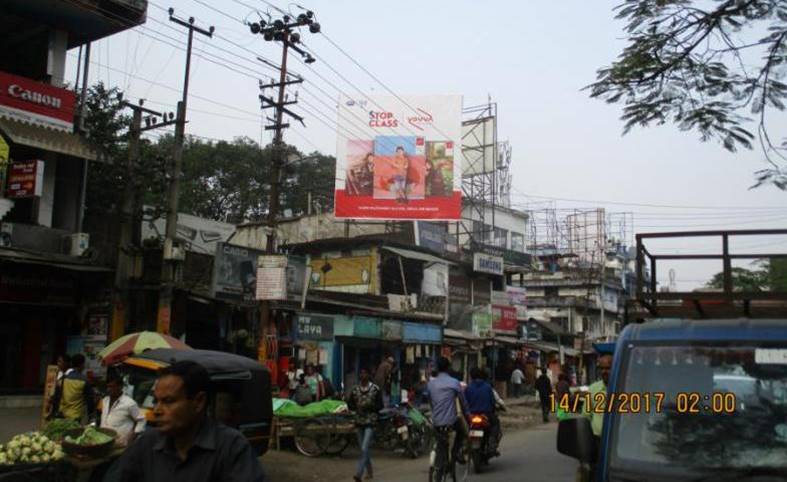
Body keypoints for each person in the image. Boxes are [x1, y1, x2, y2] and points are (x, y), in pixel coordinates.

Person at [109, 360, 266, 481]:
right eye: (156, 401)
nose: (157, 410)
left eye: (168, 401)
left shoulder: (231, 447)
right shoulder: (147, 444)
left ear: (198, 402)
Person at [427, 357, 469, 472]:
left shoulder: (431, 384)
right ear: (448, 368)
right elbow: (463, 402)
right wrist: (468, 415)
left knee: (440, 439)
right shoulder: (454, 382)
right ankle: (455, 454)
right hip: (451, 421)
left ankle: (442, 461)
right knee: (461, 432)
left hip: (435, 421)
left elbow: (431, 402)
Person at [345, 367, 383, 482]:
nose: (362, 375)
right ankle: (370, 471)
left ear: (369, 375)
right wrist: (356, 407)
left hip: (370, 422)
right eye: (361, 373)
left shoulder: (375, 389)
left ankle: (358, 474)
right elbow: (350, 404)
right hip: (358, 422)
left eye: (365, 373)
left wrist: (368, 407)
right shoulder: (355, 389)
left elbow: (380, 406)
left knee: (363, 448)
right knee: (364, 450)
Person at [464, 368, 501, 456]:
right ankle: (492, 444)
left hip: (471, 415)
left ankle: (463, 446)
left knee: (464, 429)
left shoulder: (468, 388)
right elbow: (492, 401)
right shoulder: (487, 387)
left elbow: (465, 402)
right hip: (486, 414)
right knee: (495, 424)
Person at [101, 376, 145, 446]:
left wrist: (133, 436)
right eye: (108, 387)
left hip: (121, 444)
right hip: (104, 442)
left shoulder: (129, 403)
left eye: (112, 387)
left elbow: (141, 420)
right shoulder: (105, 400)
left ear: (120, 387)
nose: (108, 389)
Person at [55, 354, 96, 422]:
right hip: (75, 416)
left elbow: (57, 397)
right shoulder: (84, 380)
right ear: (82, 365)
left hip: (62, 414)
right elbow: (90, 400)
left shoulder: (62, 378)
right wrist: (91, 416)